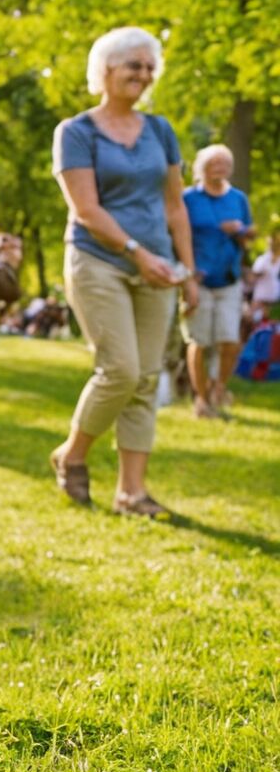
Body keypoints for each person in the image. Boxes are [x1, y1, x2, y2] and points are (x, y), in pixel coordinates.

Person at [50, 26, 198, 519]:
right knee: (122, 369)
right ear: (105, 71)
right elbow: (87, 209)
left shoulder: (160, 130)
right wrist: (138, 253)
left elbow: (175, 207)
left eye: (148, 65)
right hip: (99, 260)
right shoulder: (76, 131)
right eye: (133, 64)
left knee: (148, 376)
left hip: (158, 266)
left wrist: (188, 270)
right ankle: (72, 453)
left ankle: (132, 492)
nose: (144, 73)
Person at [182, 145, 254, 419]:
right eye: (215, 164)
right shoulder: (188, 199)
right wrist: (186, 271)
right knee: (199, 342)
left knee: (229, 341)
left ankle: (217, 388)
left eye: (225, 164)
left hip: (229, 279)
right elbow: (178, 233)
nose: (221, 169)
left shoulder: (238, 198)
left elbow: (249, 236)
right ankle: (201, 399)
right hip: (198, 279)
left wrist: (241, 231)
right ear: (202, 168)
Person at [250, 230, 280, 323]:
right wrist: (261, 273)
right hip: (260, 300)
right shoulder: (262, 260)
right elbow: (252, 277)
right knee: (256, 324)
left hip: (275, 301)